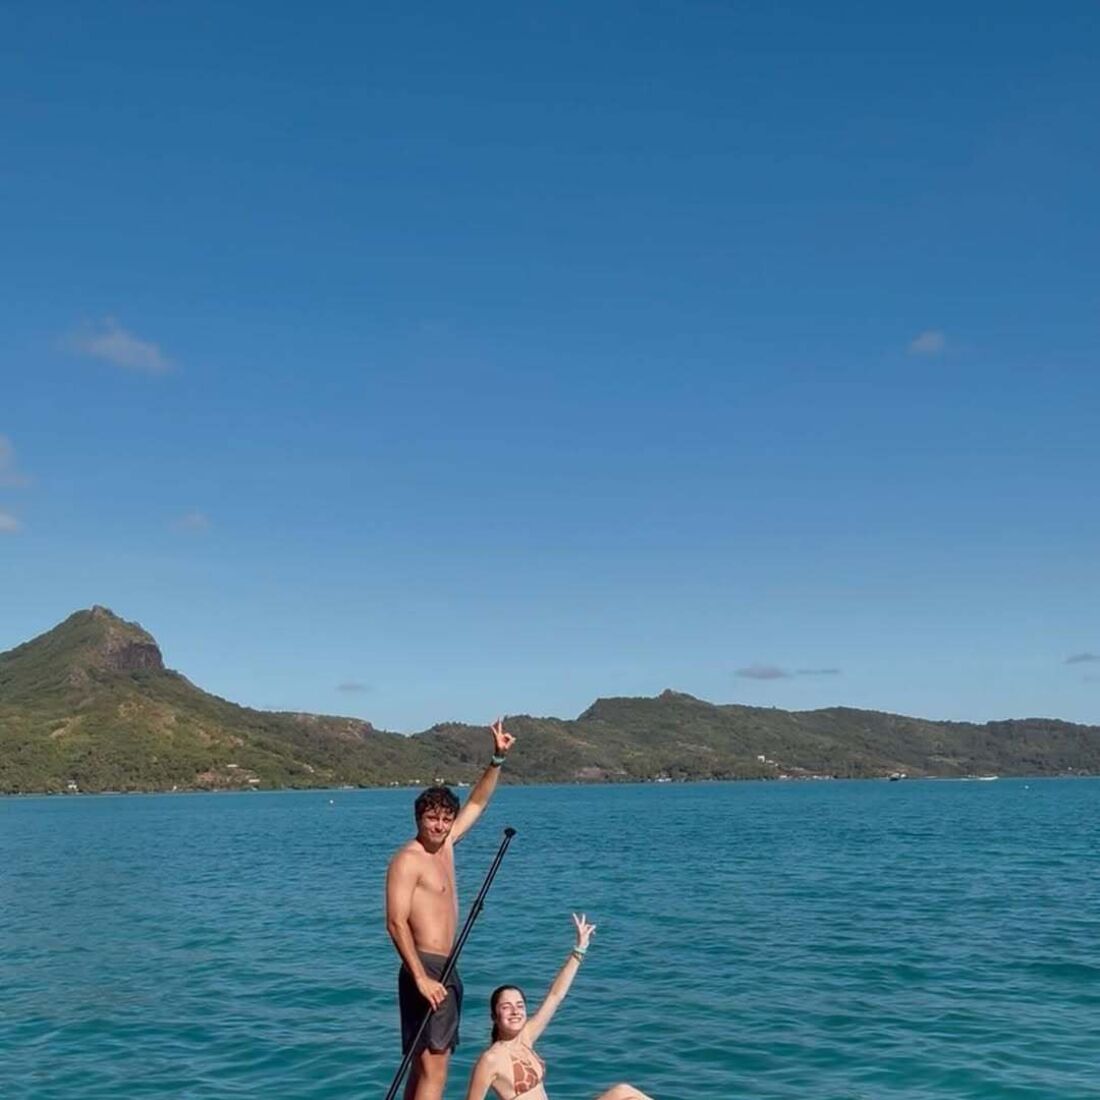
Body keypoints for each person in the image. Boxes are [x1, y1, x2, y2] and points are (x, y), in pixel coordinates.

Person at [385, 718, 517, 1100]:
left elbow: (477, 801)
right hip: (423, 967)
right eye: (432, 818)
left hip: (446, 967)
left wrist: (496, 759)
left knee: (423, 1064)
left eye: (445, 819)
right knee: (435, 1067)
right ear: (418, 819)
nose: (440, 825)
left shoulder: (445, 847)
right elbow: (395, 923)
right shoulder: (407, 860)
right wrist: (421, 978)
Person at [463, 914, 655, 1100]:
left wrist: (579, 949)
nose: (515, 1011)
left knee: (624, 1092)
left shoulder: (526, 1038)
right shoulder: (490, 1059)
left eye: (519, 1006)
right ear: (494, 1016)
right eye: (506, 1007)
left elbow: (556, 995)